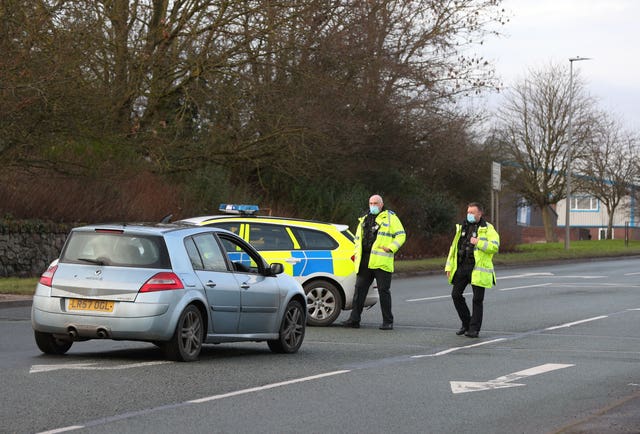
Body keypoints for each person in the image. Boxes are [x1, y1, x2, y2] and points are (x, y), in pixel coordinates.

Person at [342, 194, 406, 330]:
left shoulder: (390, 218)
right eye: (371, 203)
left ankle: (388, 322)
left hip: (381, 260)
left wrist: (391, 247)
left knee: (384, 291)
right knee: (359, 290)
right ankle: (354, 319)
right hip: (365, 260)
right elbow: (358, 240)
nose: (373, 206)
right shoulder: (364, 219)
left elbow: (401, 235)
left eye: (376, 203)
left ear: (382, 204)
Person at [445, 202, 499, 338]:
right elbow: (453, 248)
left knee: (477, 300)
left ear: (480, 214)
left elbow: (494, 246)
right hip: (462, 267)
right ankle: (466, 323)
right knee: (456, 295)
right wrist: (448, 266)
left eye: (472, 212)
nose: (469, 215)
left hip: (477, 269)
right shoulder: (462, 227)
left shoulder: (488, 229)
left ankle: (474, 329)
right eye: (468, 212)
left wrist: (478, 243)